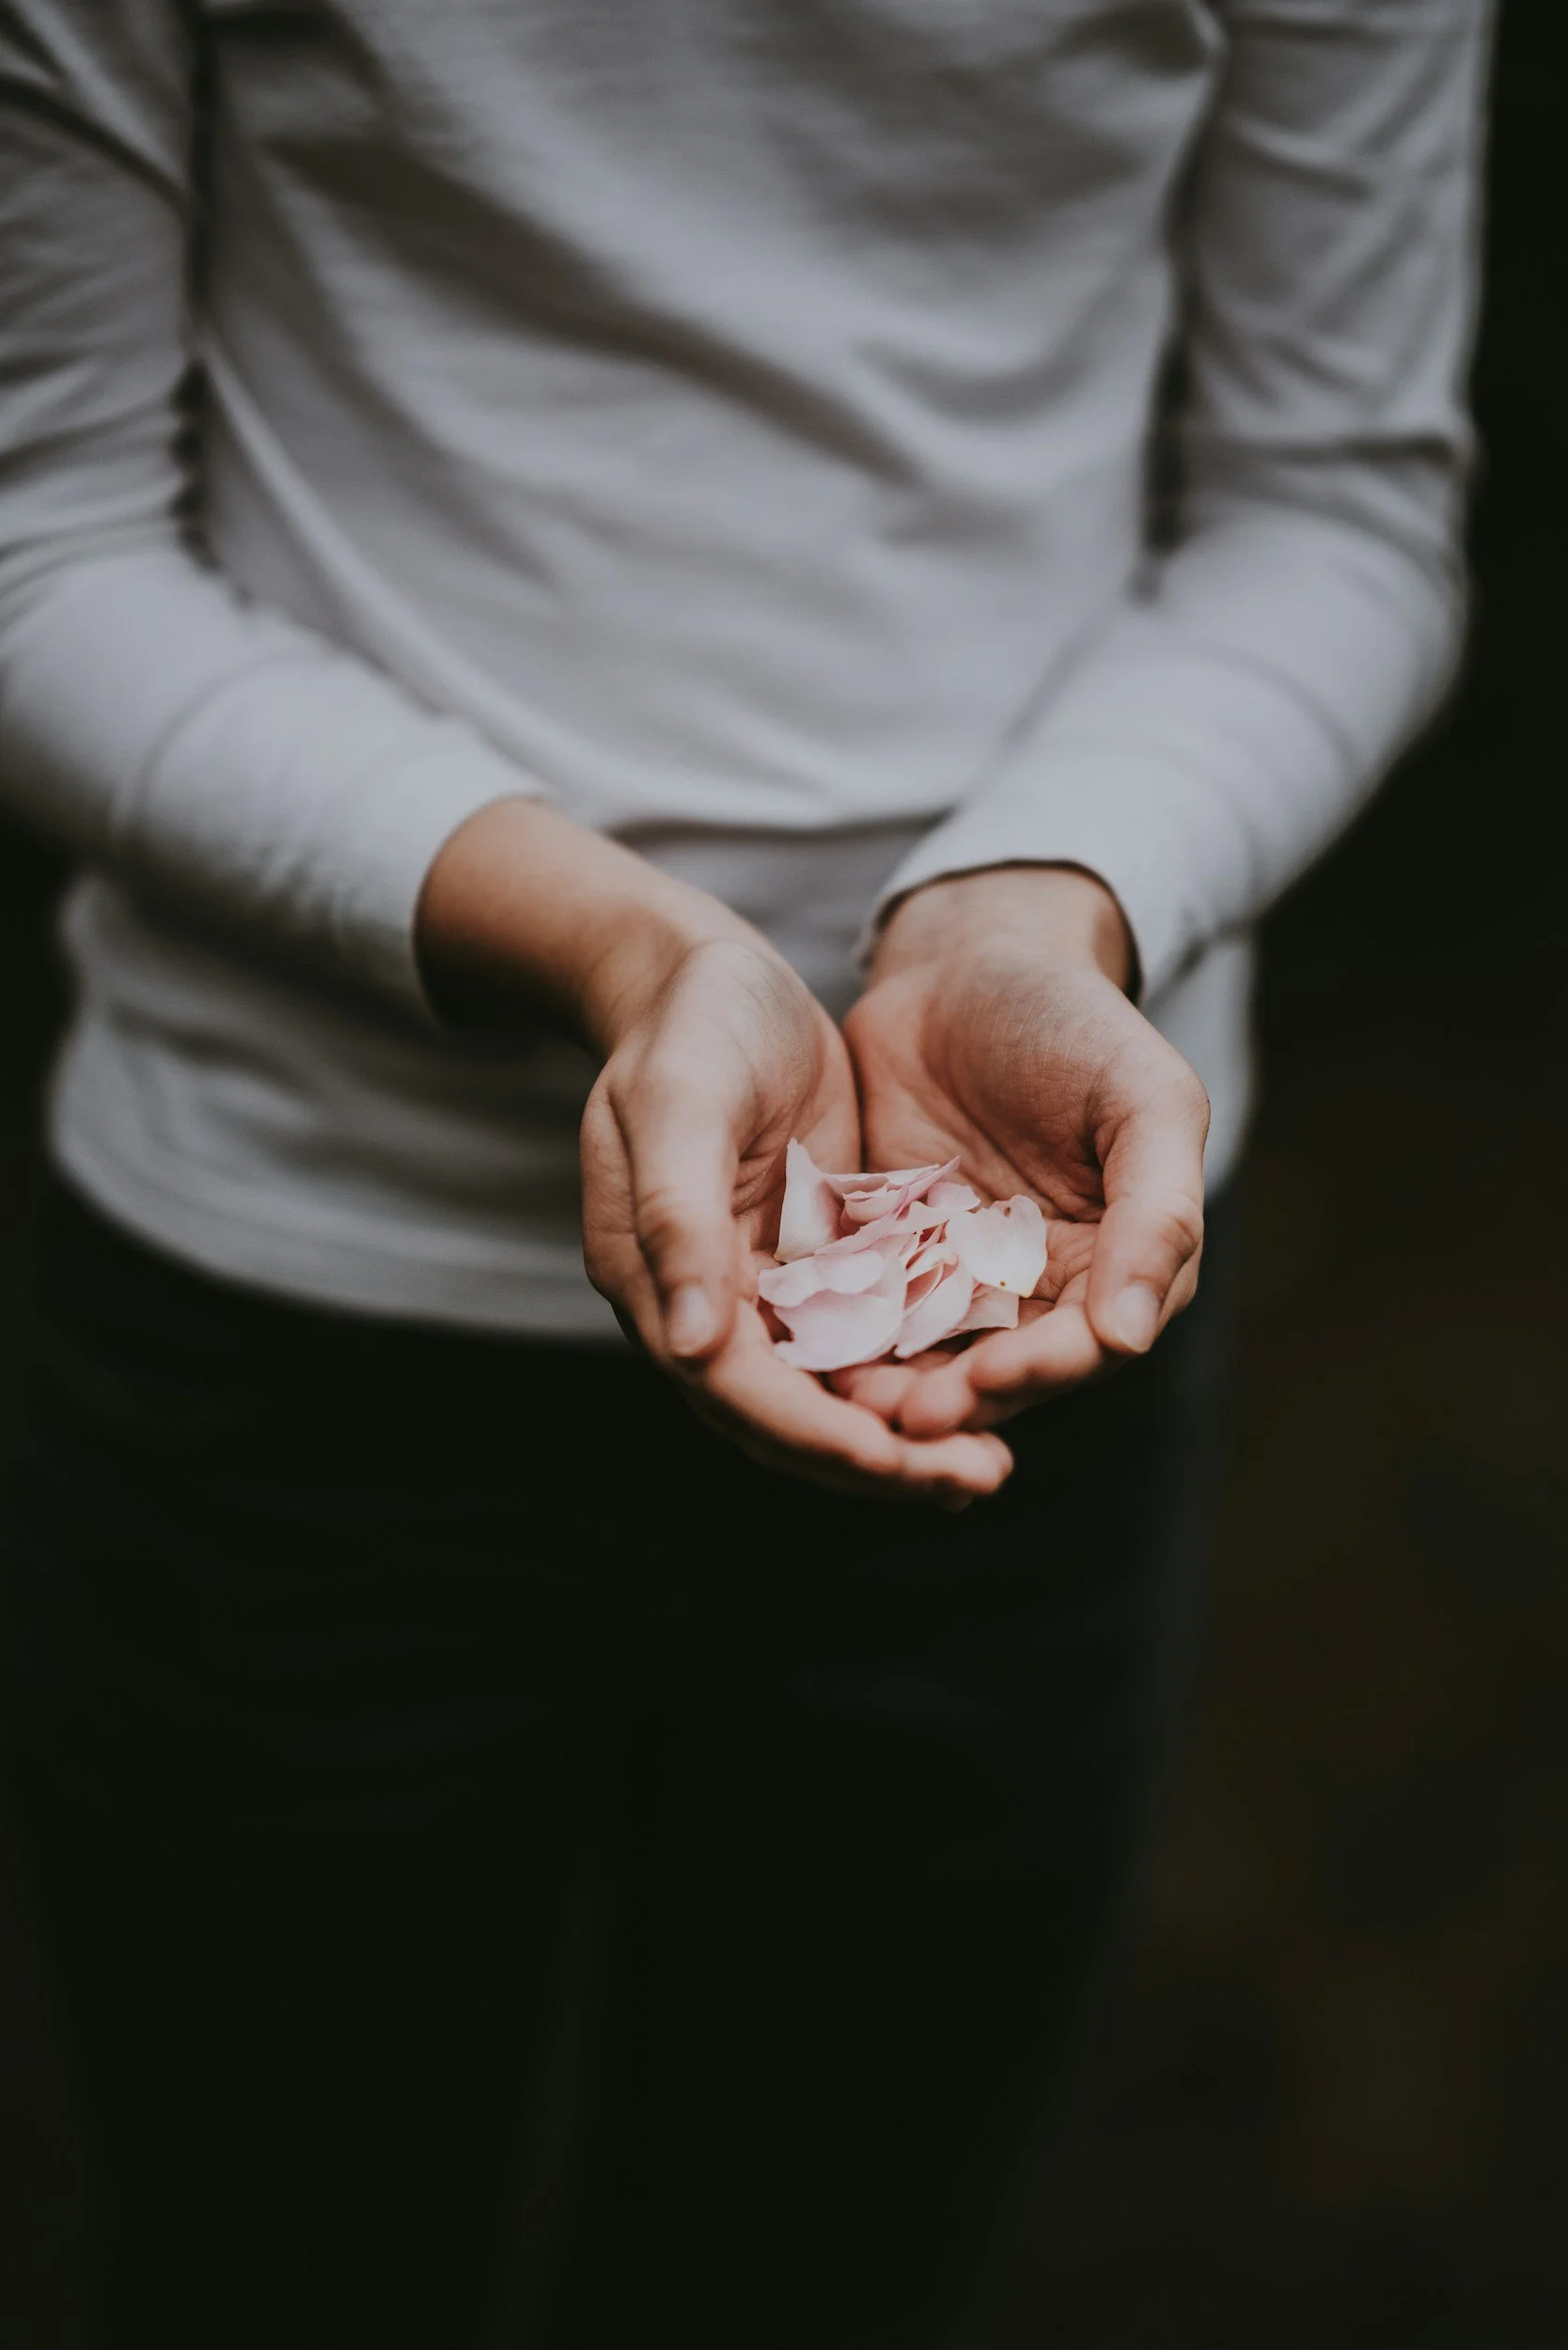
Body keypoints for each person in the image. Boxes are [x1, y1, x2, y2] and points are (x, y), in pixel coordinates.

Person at [0, 3, 1488, 2344]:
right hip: (284, 1330)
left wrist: (1039, 897)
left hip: (1030, 1339)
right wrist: (618, 942)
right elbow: (38, 535)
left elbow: (1345, 497)